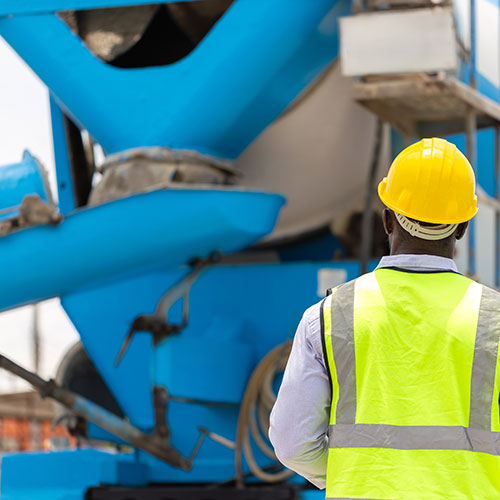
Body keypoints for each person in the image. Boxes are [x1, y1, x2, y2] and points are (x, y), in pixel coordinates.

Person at [269, 137, 500, 499]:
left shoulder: (329, 317)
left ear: (388, 220)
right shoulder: (494, 320)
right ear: (461, 228)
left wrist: (354, 474)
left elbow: (291, 443)